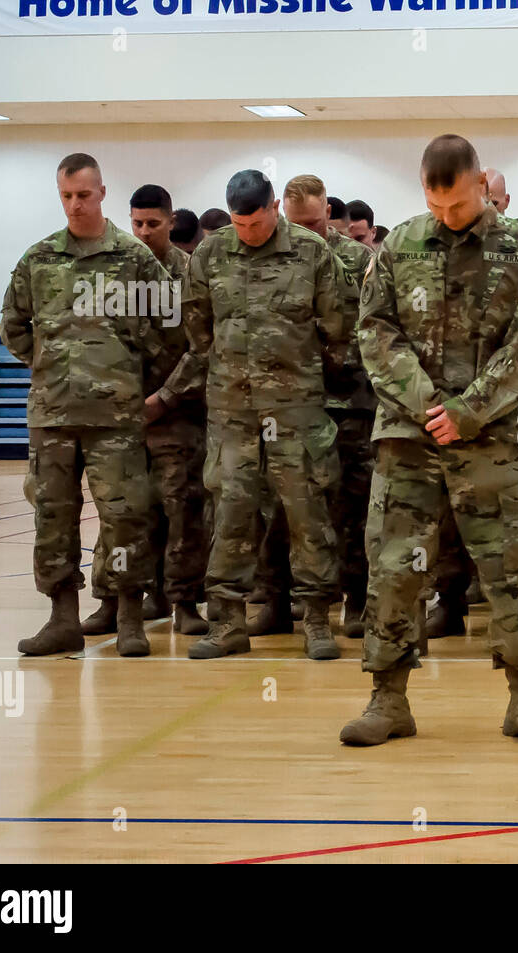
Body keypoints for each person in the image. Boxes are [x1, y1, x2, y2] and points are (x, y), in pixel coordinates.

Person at [341, 134, 518, 747]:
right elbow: (375, 331)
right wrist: (425, 403)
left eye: (459, 205)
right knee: (393, 569)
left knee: (509, 566)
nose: (447, 217)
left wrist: (468, 410)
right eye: (436, 205)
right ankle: (388, 698)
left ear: (482, 185)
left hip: (490, 438)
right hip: (408, 437)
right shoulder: (397, 248)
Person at [0, 153, 167, 657]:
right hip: (52, 415)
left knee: (124, 515)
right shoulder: (39, 259)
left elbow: (169, 330)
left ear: (101, 193)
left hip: (115, 418)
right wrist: (53, 365)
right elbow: (13, 325)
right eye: (67, 196)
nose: (75, 204)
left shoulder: (134, 259)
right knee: (53, 515)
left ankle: (131, 616)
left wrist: (128, 378)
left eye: (84, 195)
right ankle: (62, 618)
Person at [178, 170, 346, 661]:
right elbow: (197, 327)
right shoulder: (210, 255)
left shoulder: (313, 254)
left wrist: (295, 370)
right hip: (232, 410)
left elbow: (337, 328)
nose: (248, 232)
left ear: (275, 206)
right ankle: (227, 621)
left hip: (296, 409)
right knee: (231, 514)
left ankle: (316, 620)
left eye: (256, 221)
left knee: (307, 513)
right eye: (239, 223)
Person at [83, 185, 210, 638]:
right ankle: (115, 598)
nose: (142, 231)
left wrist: (165, 399)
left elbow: (201, 348)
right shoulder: (115, 274)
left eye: (152, 223)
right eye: (136, 222)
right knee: (119, 511)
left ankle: (185, 601)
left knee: (181, 509)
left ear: (171, 221)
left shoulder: (190, 275)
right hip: (121, 414)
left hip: (176, 414)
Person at [284, 175, 376, 640]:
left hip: (353, 403)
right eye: (296, 224)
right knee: (296, 510)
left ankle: (356, 599)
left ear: (329, 216)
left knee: (354, 507)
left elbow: (376, 330)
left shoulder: (359, 260)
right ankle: (296, 601)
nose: (306, 232)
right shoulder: (279, 259)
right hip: (296, 404)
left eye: (315, 223)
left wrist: (333, 356)